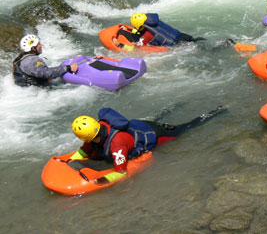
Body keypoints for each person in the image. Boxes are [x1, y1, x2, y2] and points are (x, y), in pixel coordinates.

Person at [69, 106, 225, 184]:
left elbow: (120, 172)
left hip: (154, 134)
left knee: (186, 128)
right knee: (160, 119)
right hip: (138, 125)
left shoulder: (117, 145)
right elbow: (84, 151)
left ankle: (217, 111)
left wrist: (100, 181)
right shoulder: (97, 127)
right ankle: (173, 107)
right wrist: (67, 161)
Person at [12, 34, 78, 87]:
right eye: (39, 44)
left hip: (28, 90)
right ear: (33, 48)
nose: (41, 45)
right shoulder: (33, 60)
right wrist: (68, 67)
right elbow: (46, 73)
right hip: (36, 92)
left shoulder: (21, 59)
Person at [112, 13, 205, 49]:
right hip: (184, 37)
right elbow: (141, 31)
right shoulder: (153, 22)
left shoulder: (147, 35)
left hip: (179, 46)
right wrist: (129, 30)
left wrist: (120, 45)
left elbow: (136, 48)